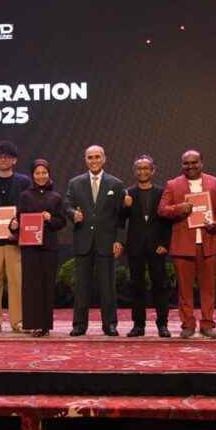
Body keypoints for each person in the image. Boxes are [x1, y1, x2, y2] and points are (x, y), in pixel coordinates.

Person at [157, 150, 216, 338]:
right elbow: (162, 210)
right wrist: (180, 208)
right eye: (186, 163)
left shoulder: (215, 183)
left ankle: (207, 324)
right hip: (183, 243)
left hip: (208, 242)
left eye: (194, 162)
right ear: (181, 165)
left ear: (201, 163)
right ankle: (187, 324)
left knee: (209, 288)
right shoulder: (172, 184)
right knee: (184, 288)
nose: (190, 166)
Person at [64, 145, 126, 336]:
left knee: (107, 286)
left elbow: (121, 216)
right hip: (83, 241)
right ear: (85, 160)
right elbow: (68, 205)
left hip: (106, 241)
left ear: (104, 159)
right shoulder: (75, 183)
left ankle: (109, 324)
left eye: (97, 157)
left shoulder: (116, 184)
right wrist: (73, 214)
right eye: (90, 157)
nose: (93, 160)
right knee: (81, 286)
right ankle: (79, 324)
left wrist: (119, 240)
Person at [0, 141, 33, 334]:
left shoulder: (24, 182)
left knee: (17, 282)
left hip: (15, 240)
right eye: (0, 157)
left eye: (7, 156)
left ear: (14, 160)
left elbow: (28, 209)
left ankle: (19, 320)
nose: (3, 160)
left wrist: (19, 225)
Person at [13, 160, 67, 337]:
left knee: (46, 286)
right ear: (32, 175)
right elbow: (17, 220)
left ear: (49, 174)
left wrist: (50, 218)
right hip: (30, 247)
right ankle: (35, 324)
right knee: (32, 286)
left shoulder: (56, 197)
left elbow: (61, 222)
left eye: (44, 172)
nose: (41, 176)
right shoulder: (25, 196)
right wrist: (13, 226)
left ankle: (45, 325)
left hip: (49, 246)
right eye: (37, 173)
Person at [121, 155, 172, 338]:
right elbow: (120, 219)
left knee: (160, 286)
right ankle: (138, 325)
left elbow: (167, 221)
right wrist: (125, 207)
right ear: (135, 171)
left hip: (157, 246)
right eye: (139, 168)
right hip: (135, 246)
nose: (142, 171)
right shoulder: (128, 193)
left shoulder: (162, 192)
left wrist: (165, 244)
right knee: (137, 287)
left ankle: (162, 325)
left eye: (146, 168)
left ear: (153, 170)